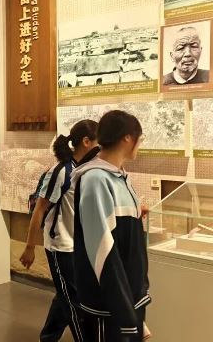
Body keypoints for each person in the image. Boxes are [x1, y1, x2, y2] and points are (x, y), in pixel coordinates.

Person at [71, 110, 150, 342]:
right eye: (139, 139)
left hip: (127, 298)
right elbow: (102, 250)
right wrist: (126, 315)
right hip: (109, 306)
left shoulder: (119, 176)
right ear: (127, 138)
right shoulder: (96, 179)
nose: (139, 145)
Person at [19, 120, 99, 342]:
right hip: (60, 245)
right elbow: (40, 209)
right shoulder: (62, 171)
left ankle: (48, 337)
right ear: (86, 142)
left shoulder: (86, 169)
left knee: (66, 295)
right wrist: (30, 247)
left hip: (78, 244)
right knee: (74, 301)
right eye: (98, 141)